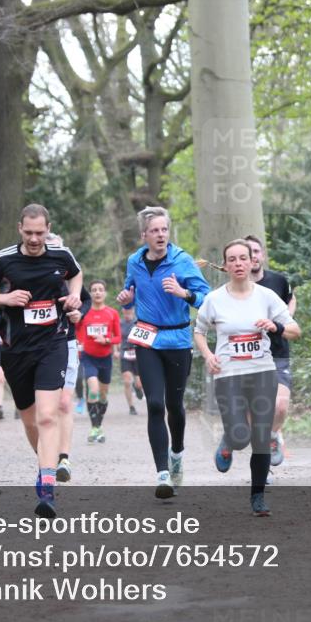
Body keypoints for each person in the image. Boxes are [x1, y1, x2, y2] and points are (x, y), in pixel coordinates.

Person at [0, 204, 82, 518]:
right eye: (29, 232)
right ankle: (44, 461)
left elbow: (76, 274)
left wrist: (73, 296)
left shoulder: (61, 255)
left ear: (48, 229)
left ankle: (46, 488)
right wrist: (5, 298)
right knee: (31, 421)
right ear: (20, 228)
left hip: (53, 344)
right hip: (16, 350)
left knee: (48, 416)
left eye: (40, 233)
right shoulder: (4, 260)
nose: (34, 239)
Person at [194, 239, 300, 516]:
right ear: (226, 265)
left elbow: (294, 330)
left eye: (244, 258)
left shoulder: (266, 296)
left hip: (262, 372)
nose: (239, 263)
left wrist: (275, 326)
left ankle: (258, 497)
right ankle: (230, 439)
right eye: (233, 259)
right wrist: (208, 355)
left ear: (252, 261)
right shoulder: (214, 299)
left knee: (261, 437)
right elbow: (199, 331)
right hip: (229, 375)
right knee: (241, 436)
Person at [116, 206, 210, 499]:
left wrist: (184, 293)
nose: (160, 235)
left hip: (178, 339)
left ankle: (177, 453)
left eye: (164, 230)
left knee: (175, 406)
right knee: (155, 404)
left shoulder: (181, 261)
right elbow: (129, 290)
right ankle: (162, 474)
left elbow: (206, 298)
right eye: (154, 231)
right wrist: (126, 297)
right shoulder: (134, 261)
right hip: (146, 338)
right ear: (144, 235)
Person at [245, 235, 297, 468]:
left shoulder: (278, 281)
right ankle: (261, 460)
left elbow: (291, 298)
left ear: (262, 255)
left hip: (277, 353)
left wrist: (284, 320)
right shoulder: (236, 286)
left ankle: (273, 435)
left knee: (280, 405)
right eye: (248, 252)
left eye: (256, 251)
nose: (253, 256)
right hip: (246, 356)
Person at [47, 232, 91, 484]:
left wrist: (79, 314)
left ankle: (63, 457)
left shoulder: (70, 278)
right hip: (38, 347)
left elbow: (84, 301)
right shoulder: (33, 277)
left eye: (59, 250)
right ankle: (46, 452)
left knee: (64, 402)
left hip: (67, 343)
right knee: (44, 406)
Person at [76, 280, 122, 444]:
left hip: (105, 358)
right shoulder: (84, 313)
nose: (97, 292)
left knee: (103, 395)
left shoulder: (112, 313)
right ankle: (94, 427)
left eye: (100, 290)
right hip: (88, 357)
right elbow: (75, 332)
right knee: (93, 390)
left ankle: (98, 427)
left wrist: (106, 339)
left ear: (105, 293)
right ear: (90, 293)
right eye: (94, 290)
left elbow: (118, 337)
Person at [118, 305, 145, 415]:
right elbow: (116, 336)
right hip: (125, 353)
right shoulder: (119, 323)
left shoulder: (139, 322)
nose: (127, 311)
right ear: (123, 310)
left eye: (130, 309)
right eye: (125, 309)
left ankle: (138, 388)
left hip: (138, 354)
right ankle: (131, 407)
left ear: (134, 310)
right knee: (127, 381)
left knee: (139, 383)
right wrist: (115, 350)